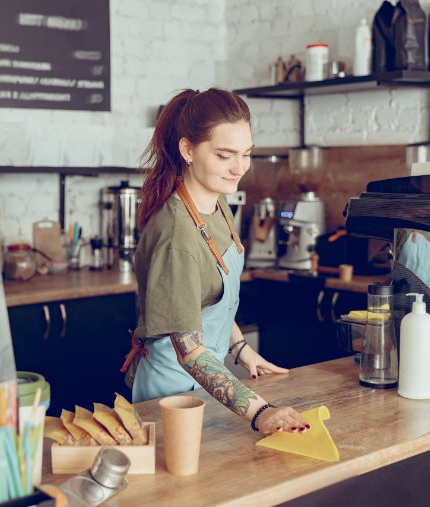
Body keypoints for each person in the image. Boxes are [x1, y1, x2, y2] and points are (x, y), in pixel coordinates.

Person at [120, 88, 309, 435]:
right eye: (224, 156)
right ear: (188, 149)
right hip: (170, 396)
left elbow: (212, 300)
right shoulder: (177, 236)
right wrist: (260, 411)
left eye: (246, 154)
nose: (239, 168)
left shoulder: (216, 205)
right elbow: (190, 352)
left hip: (207, 383)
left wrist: (241, 349)